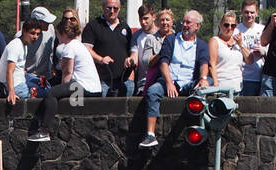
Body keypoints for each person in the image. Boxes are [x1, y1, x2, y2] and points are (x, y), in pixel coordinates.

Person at [138, 9, 208, 149]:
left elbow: (204, 63)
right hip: (170, 79)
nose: (185, 25)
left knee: (205, 86)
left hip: (189, 82)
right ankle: (150, 135)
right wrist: (169, 82)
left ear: (197, 26)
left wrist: (203, 78)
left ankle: (199, 130)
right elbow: (164, 63)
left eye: (189, 22)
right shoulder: (171, 39)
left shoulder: (201, 45)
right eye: (184, 21)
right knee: (153, 91)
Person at [28, 14, 101, 143]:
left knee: (51, 93)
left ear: (63, 34)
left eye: (58, 34)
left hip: (83, 86)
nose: (57, 37)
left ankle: (44, 130)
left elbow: (67, 73)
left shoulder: (69, 48)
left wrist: (61, 90)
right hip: (93, 87)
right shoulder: (78, 45)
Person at [83, 0, 134, 96]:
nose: (112, 11)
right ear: (103, 7)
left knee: (124, 111)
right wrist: (100, 59)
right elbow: (86, 49)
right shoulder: (93, 26)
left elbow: (131, 52)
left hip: (125, 81)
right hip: (101, 81)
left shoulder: (126, 27)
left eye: (115, 8)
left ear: (119, 9)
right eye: (109, 8)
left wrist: (131, 74)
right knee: (102, 110)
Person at [237, 0, 265, 95]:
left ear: (256, 13)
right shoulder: (235, 30)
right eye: (246, 12)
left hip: (260, 77)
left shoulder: (262, 29)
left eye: (252, 12)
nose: (249, 15)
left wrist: (263, 52)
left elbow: (270, 51)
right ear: (242, 12)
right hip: (242, 77)